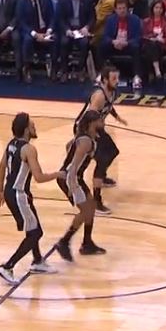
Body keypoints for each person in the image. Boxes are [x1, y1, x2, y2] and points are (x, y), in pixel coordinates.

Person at [0, 113, 63, 284]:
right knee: (36, 233)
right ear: (26, 130)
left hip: (11, 191)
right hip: (19, 194)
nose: (34, 127)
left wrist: (0, 190)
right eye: (32, 125)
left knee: (33, 227)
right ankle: (7, 266)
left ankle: (38, 261)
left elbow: (1, 166)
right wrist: (58, 174)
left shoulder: (11, 144)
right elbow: (39, 177)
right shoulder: (29, 149)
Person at [54, 110, 106, 261]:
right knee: (86, 210)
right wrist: (72, 187)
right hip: (71, 178)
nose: (103, 123)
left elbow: (68, 146)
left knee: (91, 206)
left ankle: (87, 243)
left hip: (76, 177)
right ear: (92, 123)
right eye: (100, 120)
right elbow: (72, 168)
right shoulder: (86, 141)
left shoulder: (85, 138)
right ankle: (64, 242)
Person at [75, 66, 127, 215]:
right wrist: (90, 138)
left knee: (113, 151)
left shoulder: (112, 92)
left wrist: (118, 118)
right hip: (86, 129)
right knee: (103, 159)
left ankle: (101, 177)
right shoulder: (99, 96)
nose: (117, 81)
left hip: (97, 129)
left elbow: (109, 107)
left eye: (117, 78)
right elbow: (89, 117)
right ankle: (96, 202)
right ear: (104, 80)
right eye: (114, 78)